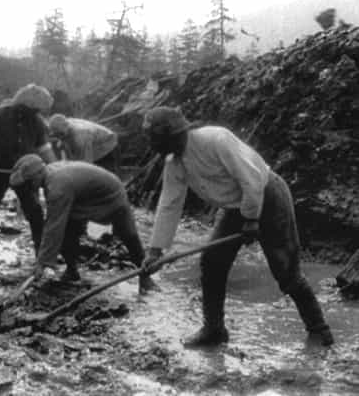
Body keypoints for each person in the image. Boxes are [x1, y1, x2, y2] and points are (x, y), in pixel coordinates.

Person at [141, 106, 334, 347]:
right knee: (212, 262)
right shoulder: (174, 164)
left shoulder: (215, 139)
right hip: (236, 207)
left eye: (154, 140)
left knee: (285, 271)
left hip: (267, 194)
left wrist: (252, 219)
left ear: (172, 136)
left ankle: (320, 331)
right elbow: (169, 204)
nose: (152, 146)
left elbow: (250, 178)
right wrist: (155, 250)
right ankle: (214, 329)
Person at [9, 154, 157, 293]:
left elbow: (53, 227)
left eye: (28, 183)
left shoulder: (57, 187)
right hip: (85, 199)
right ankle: (72, 271)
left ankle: (146, 277)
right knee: (69, 230)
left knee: (128, 235)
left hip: (112, 197)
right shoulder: (51, 176)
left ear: (36, 176)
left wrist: (43, 263)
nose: (28, 188)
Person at [0, 84, 57, 263]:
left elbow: (45, 149)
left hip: (25, 173)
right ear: (25, 105)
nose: (36, 112)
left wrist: (57, 169)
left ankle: (43, 256)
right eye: (34, 109)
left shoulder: (36, 122)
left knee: (35, 213)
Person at [49, 114, 120, 173]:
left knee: (104, 176)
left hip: (107, 145)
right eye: (56, 135)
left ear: (65, 126)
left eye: (60, 134)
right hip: (93, 144)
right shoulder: (65, 125)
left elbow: (87, 163)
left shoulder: (81, 135)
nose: (59, 138)